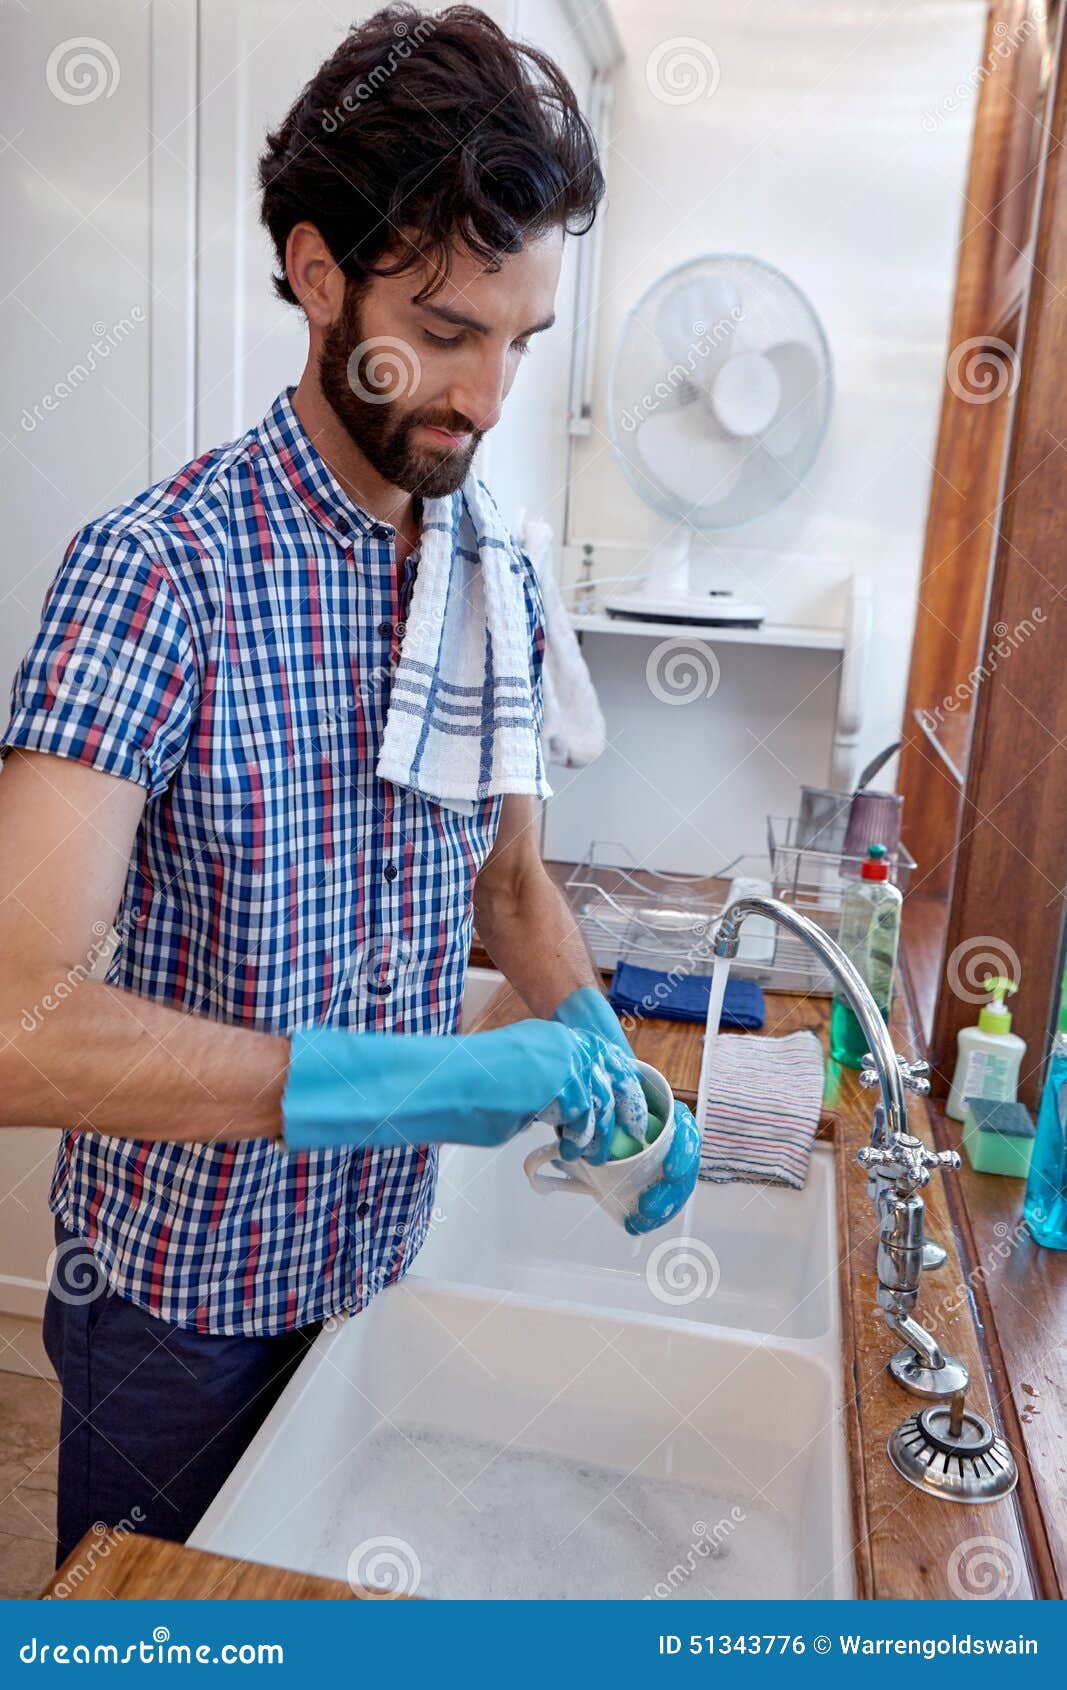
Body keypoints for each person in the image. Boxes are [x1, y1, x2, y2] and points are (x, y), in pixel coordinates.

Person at [0, 4, 701, 1569]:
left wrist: (602, 1059)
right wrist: (409, 1083)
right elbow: (15, 1022)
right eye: (447, 333)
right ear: (318, 273)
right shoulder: (157, 574)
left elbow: (509, 886)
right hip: (176, 1307)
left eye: (517, 342)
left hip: (381, 1266)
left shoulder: (493, 569)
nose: (487, 398)